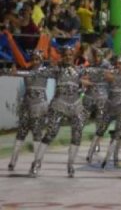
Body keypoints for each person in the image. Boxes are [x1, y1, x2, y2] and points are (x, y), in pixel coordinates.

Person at [29, 47, 90, 177]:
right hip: (59, 104)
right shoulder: (57, 70)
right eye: (66, 55)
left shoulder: (79, 70)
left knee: (77, 132)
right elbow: (39, 72)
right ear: (62, 56)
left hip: (75, 105)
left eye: (70, 55)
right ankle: (36, 162)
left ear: (74, 56)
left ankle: (70, 164)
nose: (68, 57)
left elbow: (98, 74)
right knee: (51, 132)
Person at [5, 51, 49, 171]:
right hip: (26, 106)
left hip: (39, 107)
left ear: (41, 60)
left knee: (36, 134)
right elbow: (13, 73)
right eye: (33, 59)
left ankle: (37, 162)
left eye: (37, 59)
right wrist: (12, 70)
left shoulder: (45, 72)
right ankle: (13, 161)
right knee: (21, 133)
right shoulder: (27, 72)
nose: (35, 61)